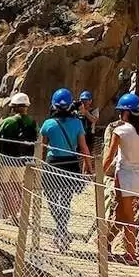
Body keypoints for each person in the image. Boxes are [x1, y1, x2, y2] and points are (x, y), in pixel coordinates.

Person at [40, 88, 93, 251]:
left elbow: (42, 148)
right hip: (70, 165)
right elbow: (84, 148)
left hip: (52, 165)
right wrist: (89, 167)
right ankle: (62, 232)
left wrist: (40, 165)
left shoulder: (48, 124)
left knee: (52, 200)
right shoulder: (77, 123)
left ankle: (60, 232)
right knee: (66, 201)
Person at [102, 93, 139, 261]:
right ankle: (105, 242)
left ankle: (131, 253)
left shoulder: (120, 131)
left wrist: (98, 174)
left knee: (128, 217)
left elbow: (110, 156)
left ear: (126, 113)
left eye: (121, 111)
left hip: (124, 177)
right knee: (121, 214)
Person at [0, 93, 38, 222]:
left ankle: (9, 213)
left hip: (6, 160)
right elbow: (36, 138)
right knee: (18, 187)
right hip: (23, 162)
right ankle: (17, 213)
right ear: (26, 107)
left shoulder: (7, 122)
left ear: (13, 107)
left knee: (3, 187)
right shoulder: (33, 123)